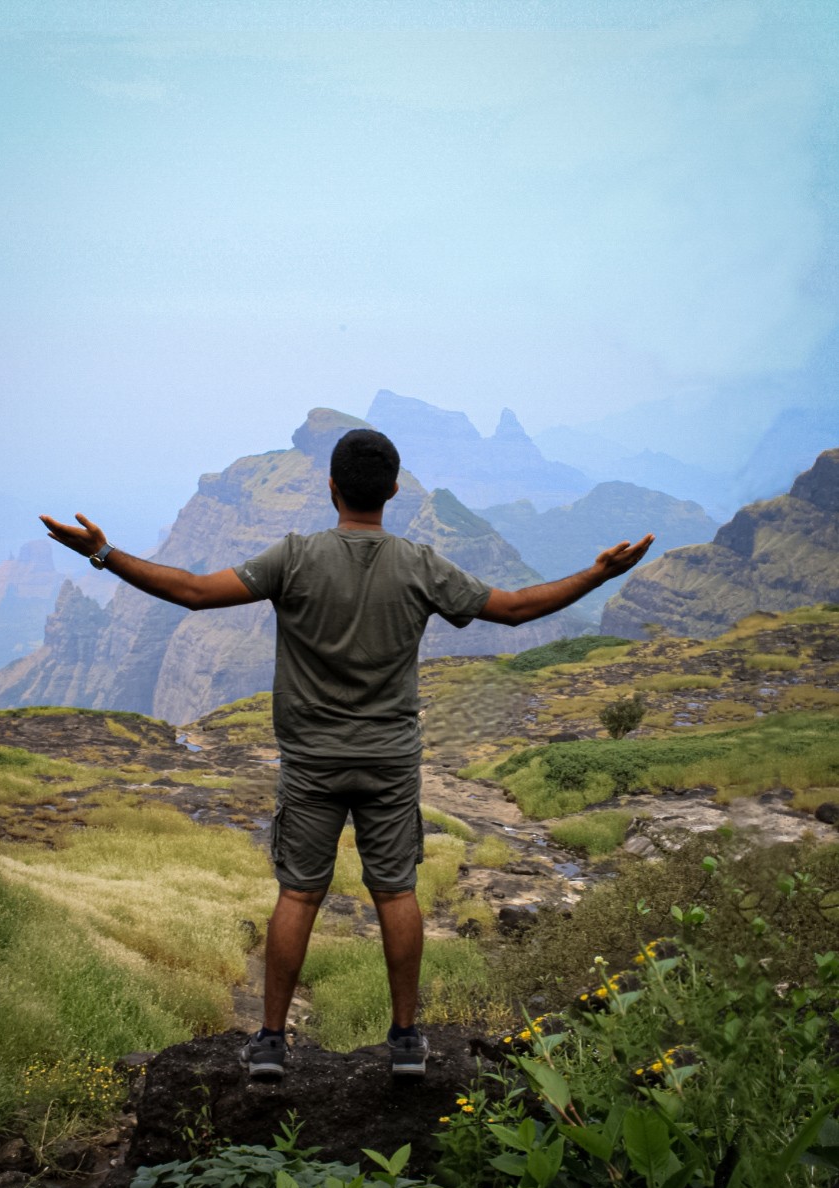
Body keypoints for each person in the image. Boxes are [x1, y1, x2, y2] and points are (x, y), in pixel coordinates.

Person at [41, 428, 653, 1081]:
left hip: (311, 762)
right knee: (396, 892)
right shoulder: (419, 563)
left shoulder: (296, 557)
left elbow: (193, 591)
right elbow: (513, 608)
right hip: (389, 760)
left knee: (299, 895)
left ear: (329, 486)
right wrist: (599, 573)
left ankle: (272, 1041)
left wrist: (103, 551)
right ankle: (408, 1040)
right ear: (392, 490)